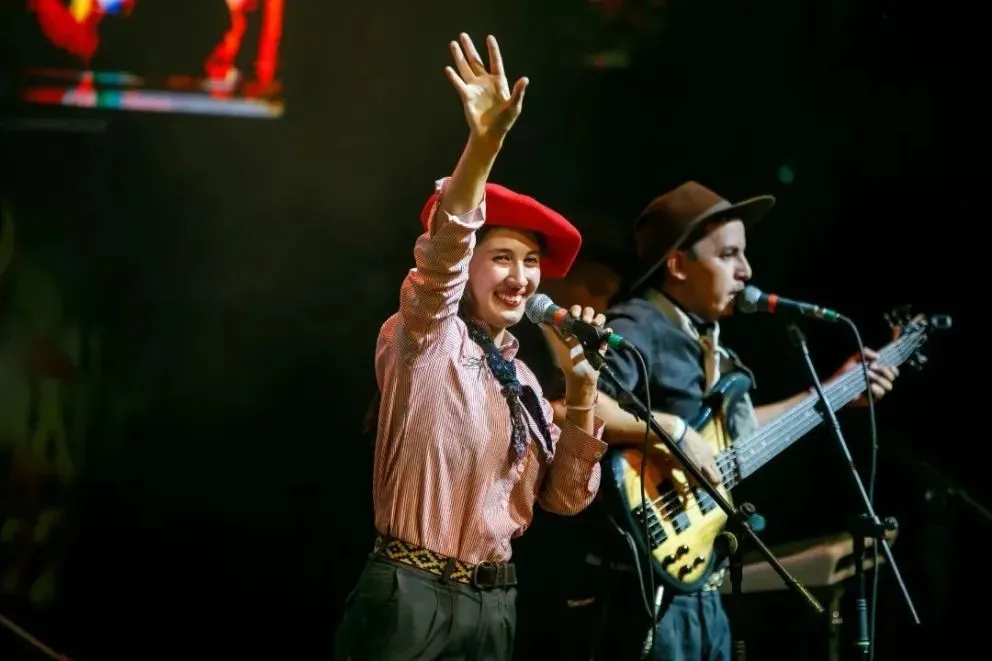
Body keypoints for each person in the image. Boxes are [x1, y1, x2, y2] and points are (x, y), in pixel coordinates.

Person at [334, 33, 610, 661]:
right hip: (411, 595)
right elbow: (443, 257)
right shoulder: (427, 337)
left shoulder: (526, 383)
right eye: (503, 257)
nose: (521, 276)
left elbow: (566, 498)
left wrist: (583, 391)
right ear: (472, 266)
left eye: (531, 262)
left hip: (495, 606)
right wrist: (484, 144)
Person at [589, 180, 901, 661]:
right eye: (728, 254)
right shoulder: (636, 326)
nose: (746, 271)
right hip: (646, 594)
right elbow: (581, 407)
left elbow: (739, 433)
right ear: (677, 265)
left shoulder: (711, 343)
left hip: (703, 585)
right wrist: (674, 432)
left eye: (744, 254)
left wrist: (832, 394)